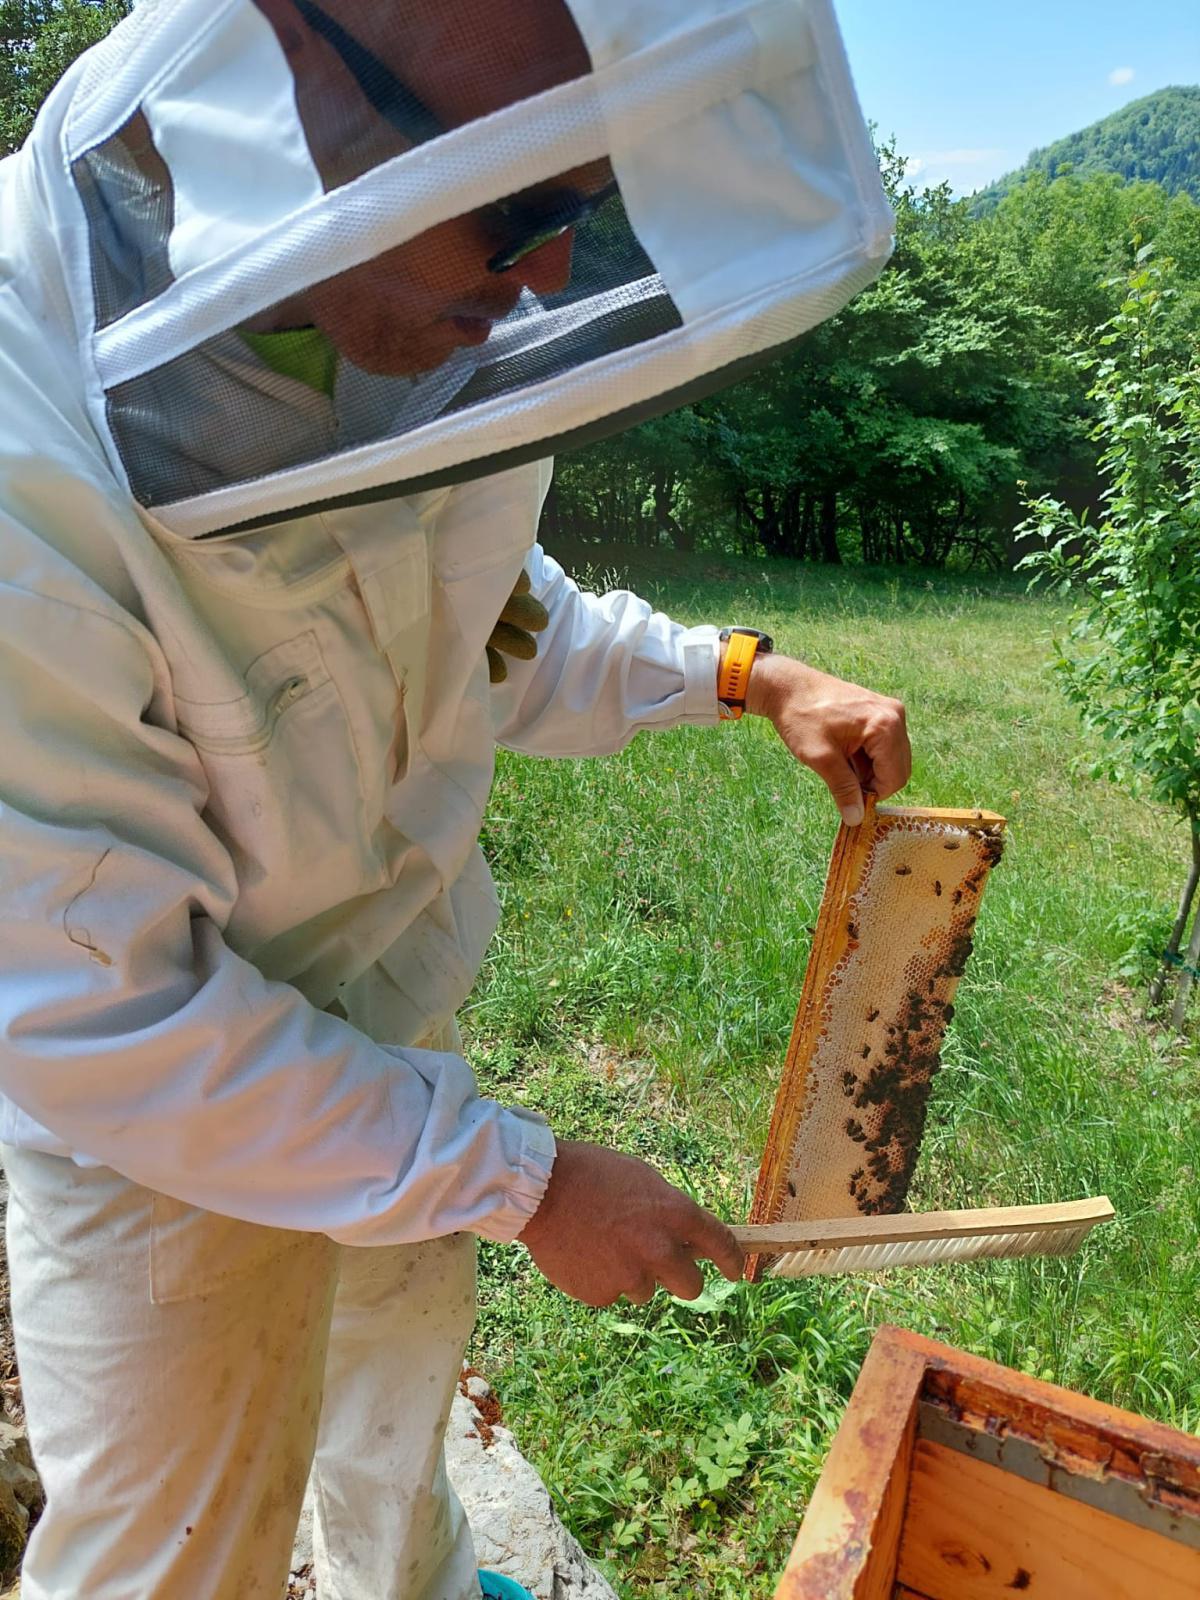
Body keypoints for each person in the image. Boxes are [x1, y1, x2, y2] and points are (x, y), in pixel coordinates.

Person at [0, 0, 907, 1596]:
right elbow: (93, 1008)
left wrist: (740, 672)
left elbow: (490, 613)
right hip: (164, 1132)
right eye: (523, 207)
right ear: (285, 59)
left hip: (396, 1022)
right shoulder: (27, 456)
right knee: (168, 1553)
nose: (551, 275)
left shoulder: (402, 319)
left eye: (586, 194)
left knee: (392, 1417)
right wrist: (526, 1179)